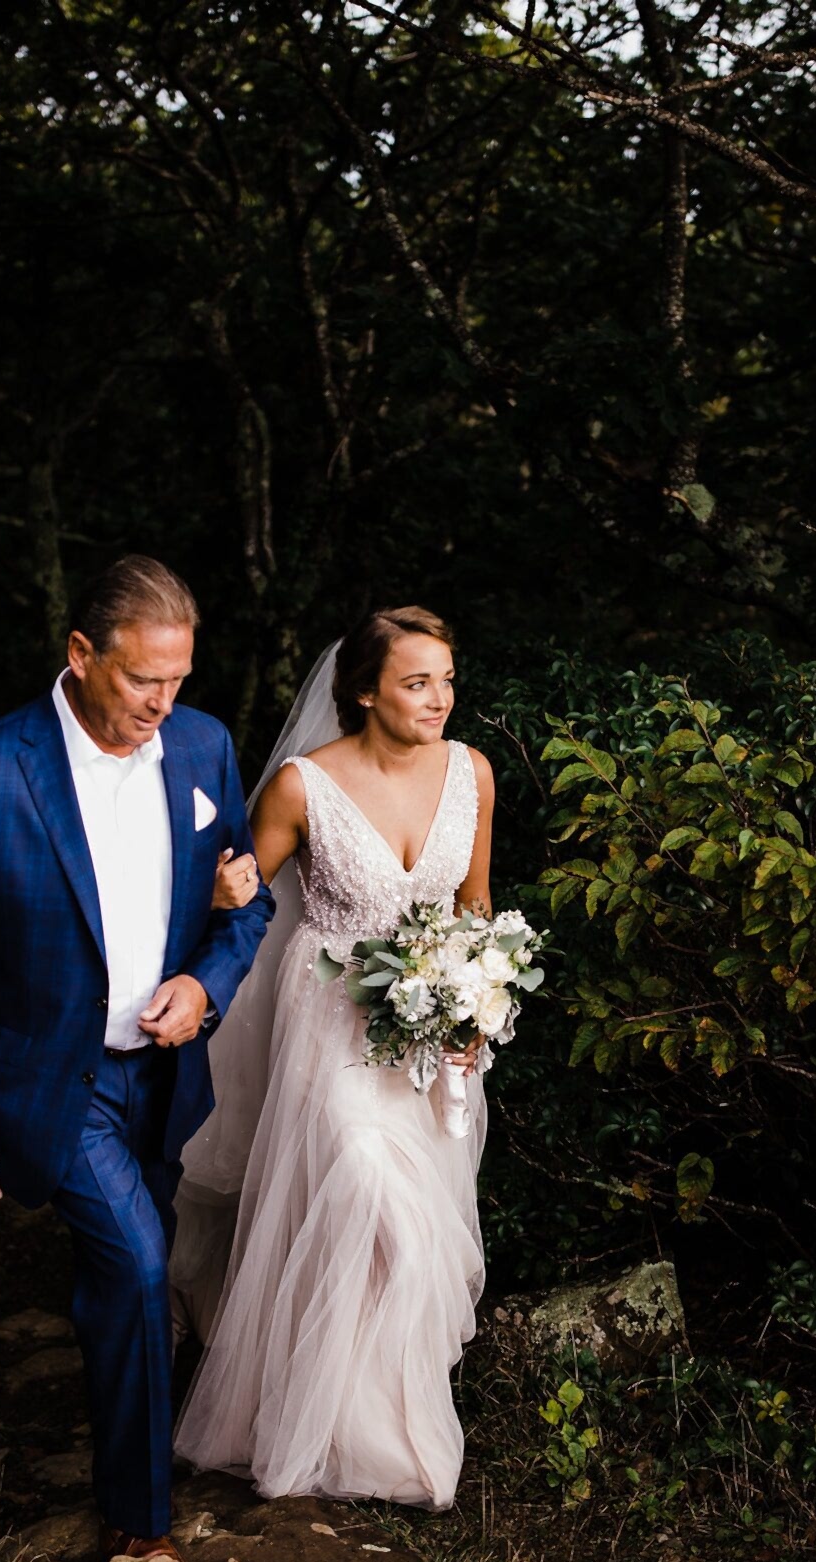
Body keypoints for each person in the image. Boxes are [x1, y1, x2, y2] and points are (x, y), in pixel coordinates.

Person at [0, 556, 272, 1562]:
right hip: (54, 1082)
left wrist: (204, 983)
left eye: (177, 679)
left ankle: (119, 1433)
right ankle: (142, 1523)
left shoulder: (202, 747)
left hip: (159, 1078)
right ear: (80, 655)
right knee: (140, 1263)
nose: (162, 702)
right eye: (139, 679)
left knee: (119, 1276)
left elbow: (250, 904)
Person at [170, 606, 497, 1510]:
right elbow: (237, 899)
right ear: (363, 691)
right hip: (329, 1019)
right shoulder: (301, 785)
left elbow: (474, 906)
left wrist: (475, 999)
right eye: (417, 682)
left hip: (428, 1032)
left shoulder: (471, 772)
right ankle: (315, 1416)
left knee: (407, 1232)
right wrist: (223, 884)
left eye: (446, 679)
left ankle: (371, 1423)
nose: (440, 698)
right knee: (362, 1186)